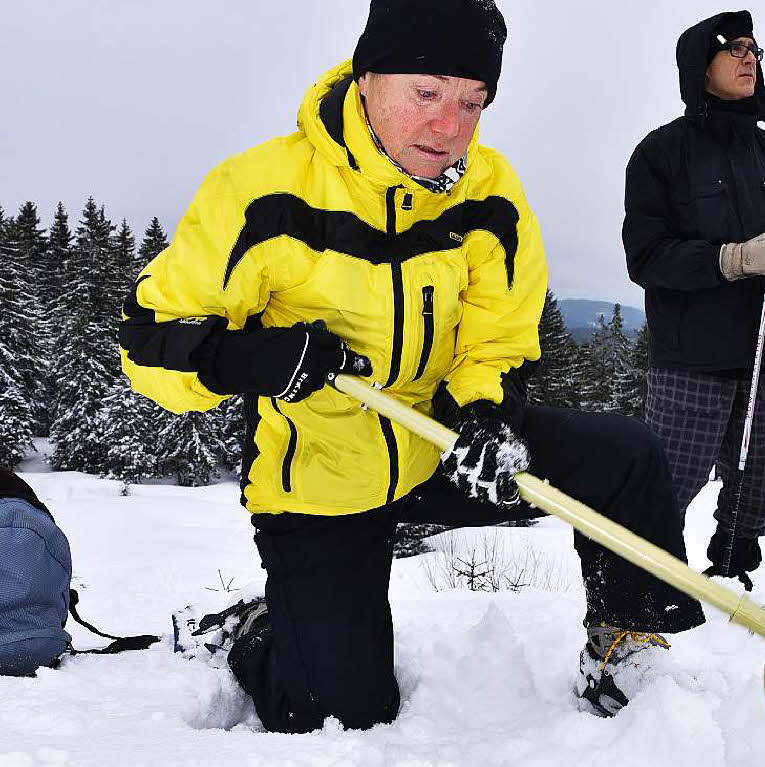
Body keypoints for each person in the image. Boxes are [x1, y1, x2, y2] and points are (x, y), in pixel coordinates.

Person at [120, 0, 705, 731]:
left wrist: (486, 415)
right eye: (427, 92)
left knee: (626, 457)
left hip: (435, 444)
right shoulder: (261, 191)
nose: (449, 127)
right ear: (367, 78)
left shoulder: (489, 194)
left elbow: (496, 336)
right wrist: (247, 356)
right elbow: (148, 341)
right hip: (323, 477)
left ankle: (624, 636)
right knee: (339, 712)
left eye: (472, 101)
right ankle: (256, 631)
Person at [622, 10, 765, 590]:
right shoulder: (661, 155)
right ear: (698, 66)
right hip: (692, 357)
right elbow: (647, 257)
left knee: (751, 486)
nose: (749, 58)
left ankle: (732, 577)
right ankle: (642, 589)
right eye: (733, 48)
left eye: (754, 49)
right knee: (670, 481)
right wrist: (733, 259)